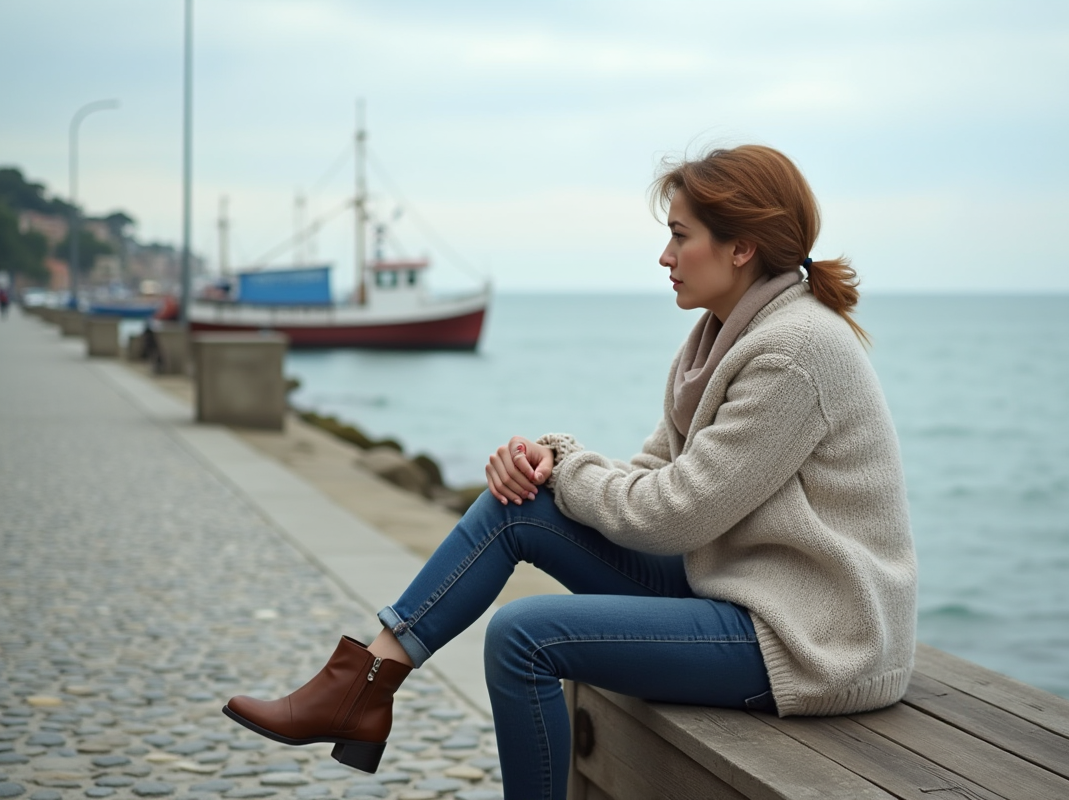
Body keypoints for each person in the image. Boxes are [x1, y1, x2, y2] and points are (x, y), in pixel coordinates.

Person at [223, 145, 917, 799]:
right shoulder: (717, 337)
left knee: (522, 637)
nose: (664, 255)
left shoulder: (793, 351)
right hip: (736, 590)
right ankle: (362, 685)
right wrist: (547, 464)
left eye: (681, 236)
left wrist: (563, 465)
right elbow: (652, 473)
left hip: (806, 641)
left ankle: (357, 694)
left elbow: (674, 514)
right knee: (515, 507)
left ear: (741, 247)